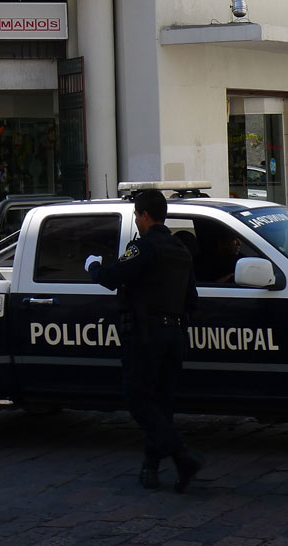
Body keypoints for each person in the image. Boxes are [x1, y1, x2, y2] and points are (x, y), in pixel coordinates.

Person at [85, 189, 201, 493]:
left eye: (137, 215)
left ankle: (182, 455)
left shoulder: (144, 248)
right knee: (162, 403)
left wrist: (93, 266)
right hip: (175, 335)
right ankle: (152, 467)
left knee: (137, 397)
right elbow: (192, 300)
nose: (136, 220)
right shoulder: (180, 249)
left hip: (148, 335)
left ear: (145, 215)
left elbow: (112, 277)